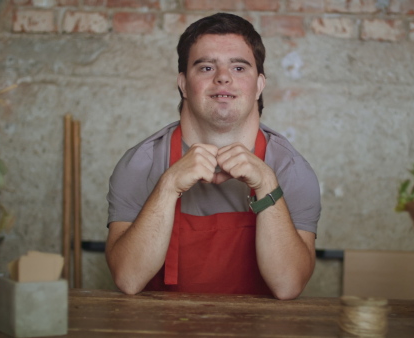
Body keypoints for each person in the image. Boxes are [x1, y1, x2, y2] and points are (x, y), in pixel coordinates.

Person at [105, 12, 321, 300]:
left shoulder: (290, 169)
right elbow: (128, 279)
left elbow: (288, 285)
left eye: (239, 68)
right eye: (206, 67)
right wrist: (168, 185)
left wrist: (267, 185)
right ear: (183, 84)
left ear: (259, 85)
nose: (222, 78)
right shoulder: (141, 164)